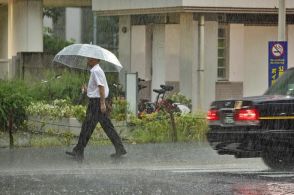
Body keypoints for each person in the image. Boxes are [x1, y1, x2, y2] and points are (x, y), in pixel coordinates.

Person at [66, 58, 127, 161]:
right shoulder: (96, 70)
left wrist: (102, 104)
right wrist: (87, 90)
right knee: (106, 126)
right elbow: (96, 89)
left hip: (96, 103)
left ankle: (79, 150)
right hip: (96, 101)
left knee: (87, 127)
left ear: (94, 60)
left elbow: (101, 88)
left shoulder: (96, 71)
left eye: (89, 59)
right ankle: (119, 148)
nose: (87, 61)